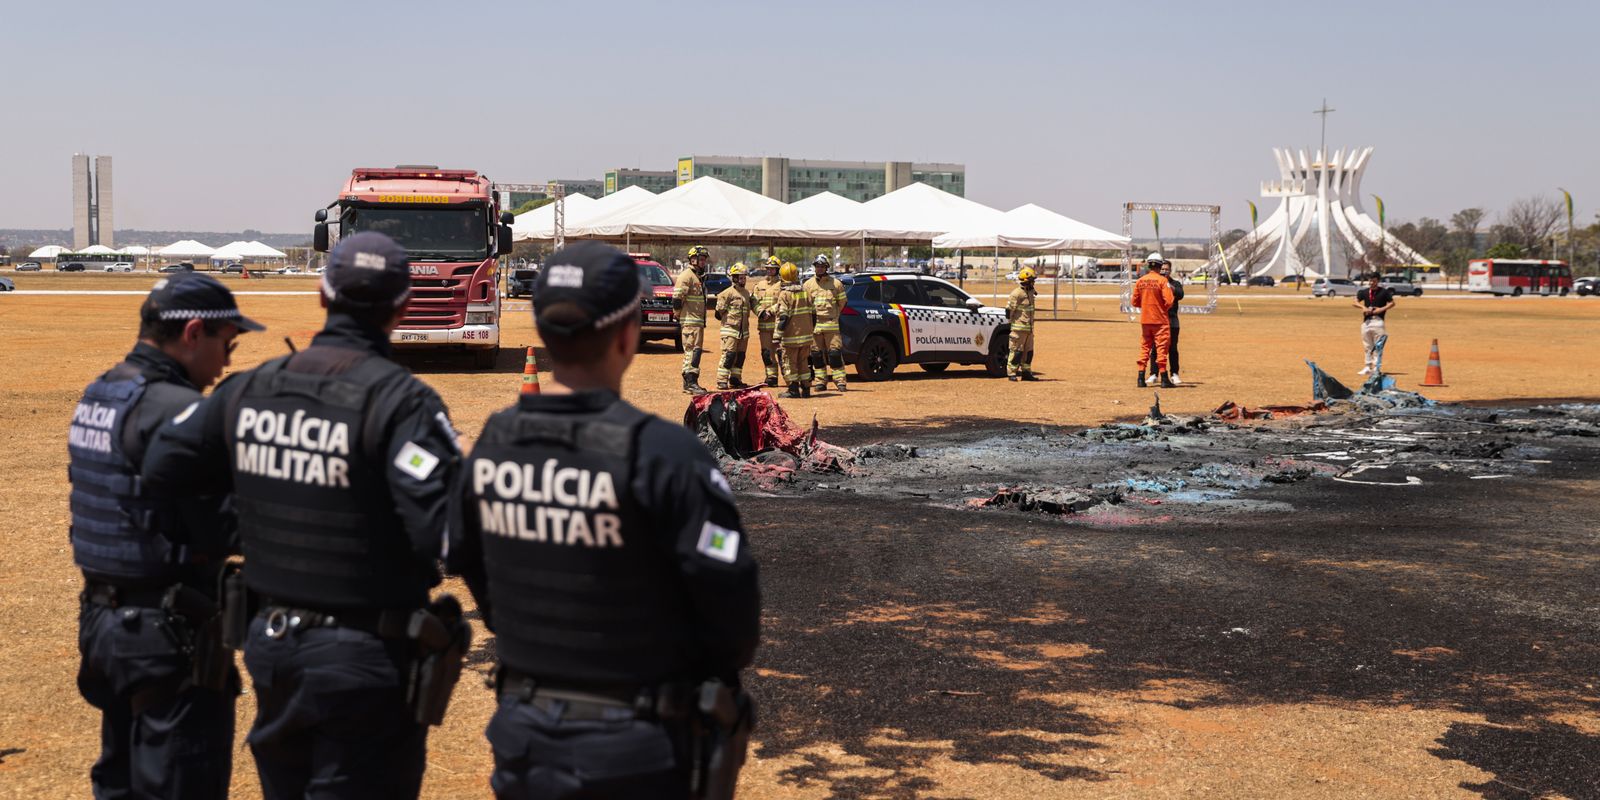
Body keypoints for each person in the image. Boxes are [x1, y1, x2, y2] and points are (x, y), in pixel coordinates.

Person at [143, 232, 467, 800]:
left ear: (322, 294)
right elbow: (443, 532)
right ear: (403, 306)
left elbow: (163, 465)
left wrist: (247, 525)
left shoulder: (251, 387)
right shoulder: (402, 403)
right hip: (365, 654)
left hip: (272, 645)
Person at [447, 241, 760, 799]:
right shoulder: (665, 454)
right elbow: (730, 607)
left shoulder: (494, 444)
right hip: (637, 746)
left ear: (544, 334)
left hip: (525, 737)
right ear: (627, 334)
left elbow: (468, 561)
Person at [70, 272, 262, 799]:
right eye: (228, 344)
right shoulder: (178, 412)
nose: (227, 363)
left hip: (104, 621)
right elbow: (219, 527)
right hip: (167, 631)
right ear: (194, 333)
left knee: (120, 779)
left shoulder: (104, 391)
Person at [802, 254, 848, 393]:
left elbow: (842, 303)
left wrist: (834, 316)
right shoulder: (807, 285)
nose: (820, 269)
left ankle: (840, 382)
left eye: (822, 266)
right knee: (816, 356)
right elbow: (805, 305)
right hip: (815, 326)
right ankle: (821, 382)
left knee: (835, 354)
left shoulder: (836, 284)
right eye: (818, 266)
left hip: (831, 326)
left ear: (826, 267)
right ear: (814, 267)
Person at [1132, 253, 1175, 388]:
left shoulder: (1140, 281)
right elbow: (1169, 301)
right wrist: (1161, 308)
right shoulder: (1162, 281)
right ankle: (1164, 378)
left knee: (1145, 348)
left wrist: (1146, 306)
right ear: (1160, 265)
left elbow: (1134, 302)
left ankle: (1140, 377)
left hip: (1145, 320)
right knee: (1161, 349)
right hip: (1160, 321)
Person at [674, 245, 711, 395]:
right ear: (693, 259)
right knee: (692, 352)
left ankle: (688, 383)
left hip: (697, 323)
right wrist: (678, 314)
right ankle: (691, 382)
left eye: (704, 260)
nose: (703, 262)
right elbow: (677, 299)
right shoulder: (687, 276)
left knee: (695, 351)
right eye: (701, 259)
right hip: (690, 322)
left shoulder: (698, 277)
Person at [775, 262, 815, 398]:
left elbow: (783, 317)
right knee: (804, 362)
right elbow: (814, 314)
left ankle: (793, 390)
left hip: (791, 337)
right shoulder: (806, 292)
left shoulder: (785, 294)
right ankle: (806, 389)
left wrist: (777, 335)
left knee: (790, 363)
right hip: (806, 336)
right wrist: (810, 329)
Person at [1145, 260, 1186, 385]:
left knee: (1172, 348)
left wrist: (1168, 286)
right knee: (1155, 348)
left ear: (1170, 270)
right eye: (1162, 269)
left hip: (1172, 320)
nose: (1164, 271)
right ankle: (1154, 374)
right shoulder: (1155, 283)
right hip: (1157, 320)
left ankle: (1174, 374)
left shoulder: (1175, 283)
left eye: (1166, 269)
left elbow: (1180, 294)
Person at [714, 262, 753, 390]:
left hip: (743, 332)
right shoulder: (727, 293)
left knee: (740, 356)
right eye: (741, 278)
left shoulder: (746, 294)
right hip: (730, 331)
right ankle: (721, 380)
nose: (743, 280)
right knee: (729, 356)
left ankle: (735, 379)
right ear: (734, 278)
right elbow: (718, 314)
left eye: (744, 278)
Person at [752, 255, 785, 387]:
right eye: (768, 268)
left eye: (773, 268)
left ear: (778, 270)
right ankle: (771, 377)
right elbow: (753, 301)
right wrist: (760, 312)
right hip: (764, 326)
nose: (770, 270)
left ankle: (789, 379)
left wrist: (770, 311)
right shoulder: (759, 285)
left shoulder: (783, 285)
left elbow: (784, 301)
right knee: (766, 353)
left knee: (782, 353)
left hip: (778, 326)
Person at [1354, 273, 1396, 375]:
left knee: (1378, 346)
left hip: (1378, 321)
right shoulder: (1364, 292)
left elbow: (1392, 303)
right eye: (1370, 280)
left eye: (1374, 281)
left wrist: (1381, 309)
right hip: (1367, 322)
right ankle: (1367, 366)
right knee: (1367, 345)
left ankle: (1377, 368)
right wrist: (1363, 307)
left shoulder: (1384, 292)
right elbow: (1354, 302)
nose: (1371, 283)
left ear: (1378, 281)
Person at [1005, 267, 1039, 381]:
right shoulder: (1017, 294)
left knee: (1028, 353)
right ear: (1026, 281)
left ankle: (1026, 372)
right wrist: (1010, 325)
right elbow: (1009, 311)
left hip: (1029, 329)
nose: (1034, 282)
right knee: (1016, 352)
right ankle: (1011, 373)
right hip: (1018, 330)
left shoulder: (1030, 292)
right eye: (1032, 280)